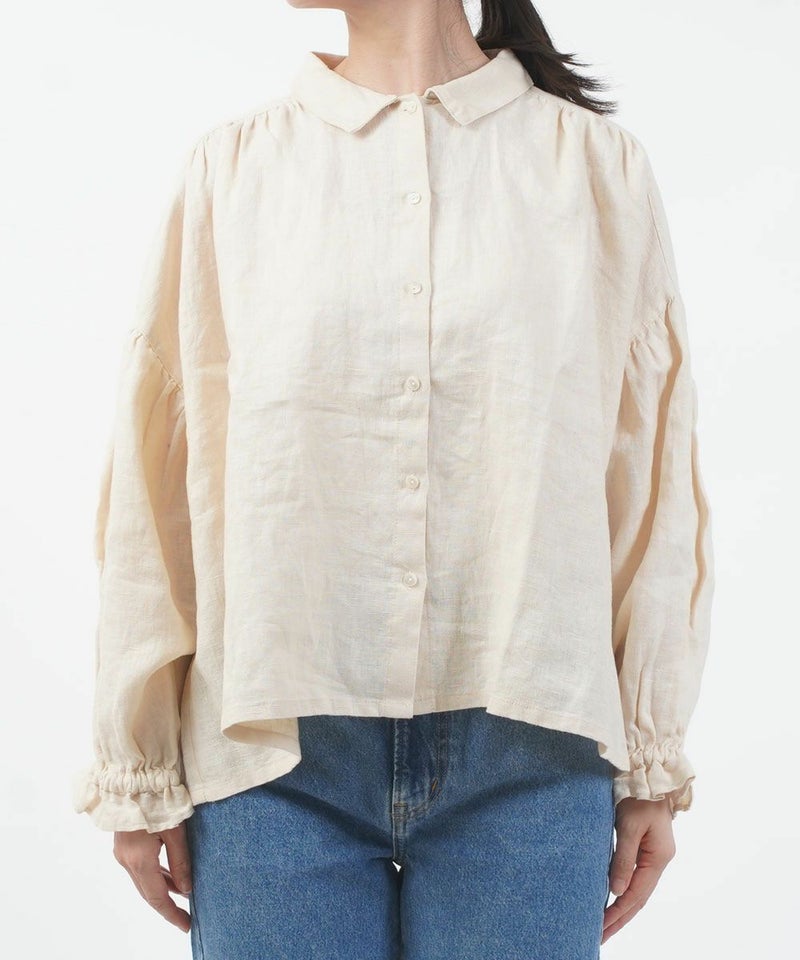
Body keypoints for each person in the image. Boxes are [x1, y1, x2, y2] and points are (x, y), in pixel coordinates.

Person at [71, 1, 715, 957]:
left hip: (534, 749)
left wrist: (653, 761)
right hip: (271, 756)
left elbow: (648, 469)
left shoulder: (593, 169)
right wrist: (138, 760)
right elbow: (158, 476)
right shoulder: (234, 171)